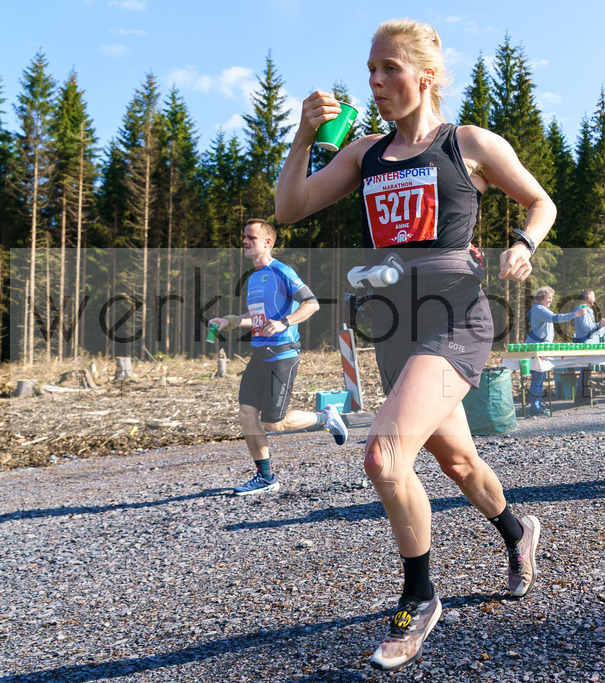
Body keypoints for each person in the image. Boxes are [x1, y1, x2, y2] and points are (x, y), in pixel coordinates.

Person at [275, 19, 547, 671]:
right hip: (393, 333)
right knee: (457, 463)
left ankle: (419, 597)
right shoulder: (365, 152)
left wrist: (522, 244)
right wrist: (304, 134)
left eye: (389, 68)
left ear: (426, 74)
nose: (375, 81)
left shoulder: (469, 144)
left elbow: (540, 202)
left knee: (383, 458)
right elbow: (289, 208)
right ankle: (519, 530)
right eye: (370, 69)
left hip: (454, 321)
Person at [210, 219, 347, 496]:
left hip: (282, 355)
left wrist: (285, 321)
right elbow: (258, 316)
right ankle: (265, 477)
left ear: (267, 242)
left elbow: (312, 303)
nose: (245, 241)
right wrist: (232, 321)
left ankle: (325, 418)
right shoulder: (254, 278)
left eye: (251, 237)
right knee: (247, 413)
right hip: (259, 354)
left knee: (274, 422)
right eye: (244, 237)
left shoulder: (282, 271)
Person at [525, 286, 584, 415]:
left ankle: (537, 406)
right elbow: (555, 318)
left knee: (539, 377)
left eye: (552, 298)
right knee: (537, 377)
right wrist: (574, 315)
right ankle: (535, 408)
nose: (551, 300)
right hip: (537, 348)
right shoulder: (539, 309)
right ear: (541, 298)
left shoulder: (540, 309)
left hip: (541, 348)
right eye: (548, 298)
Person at [572, 288, 605, 403]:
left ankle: (582, 395)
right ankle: (582, 396)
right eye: (594, 297)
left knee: (586, 370)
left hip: (588, 342)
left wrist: (600, 325)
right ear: (589, 298)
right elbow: (586, 328)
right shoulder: (582, 309)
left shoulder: (587, 310)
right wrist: (600, 324)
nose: (594, 299)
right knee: (585, 370)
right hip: (584, 343)